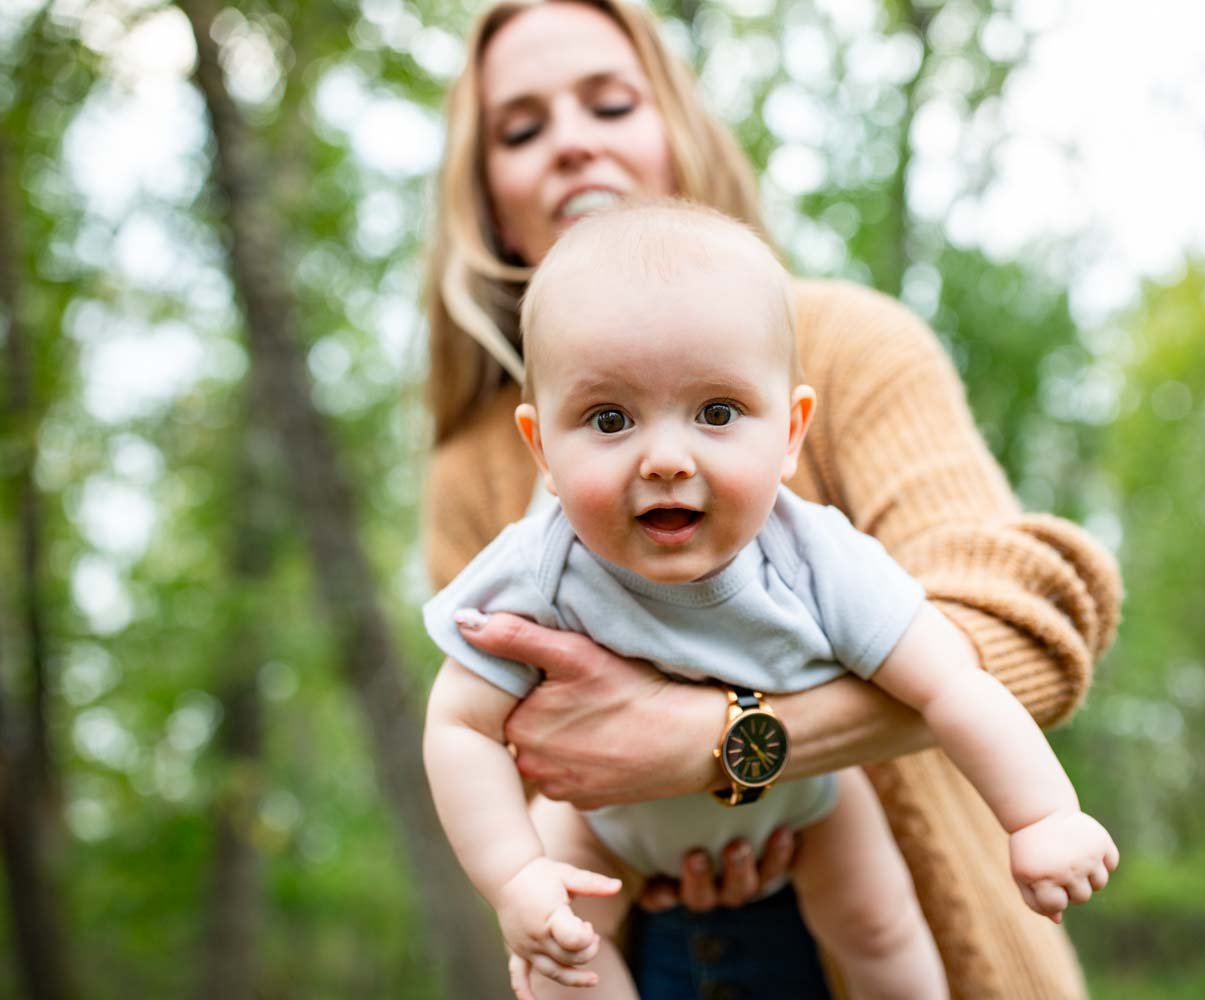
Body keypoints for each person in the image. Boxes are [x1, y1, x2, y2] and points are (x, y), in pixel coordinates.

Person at [420, 1, 1123, 996]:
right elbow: (481, 733)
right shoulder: (509, 522)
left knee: (879, 929)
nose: (665, 459)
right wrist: (521, 876)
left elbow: (998, 645)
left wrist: (721, 746)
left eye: (610, 103)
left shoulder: (835, 414)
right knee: (548, 956)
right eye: (523, 128)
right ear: (488, 194)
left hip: (828, 833)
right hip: (639, 887)